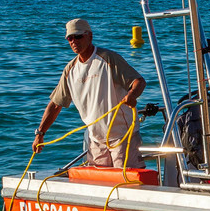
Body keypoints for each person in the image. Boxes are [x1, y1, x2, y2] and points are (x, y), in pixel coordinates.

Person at [33, 18, 148, 167]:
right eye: (70, 38)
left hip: (122, 136)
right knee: (99, 184)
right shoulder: (70, 70)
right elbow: (55, 105)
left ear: (90, 36)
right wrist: (40, 134)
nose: (74, 41)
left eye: (78, 36)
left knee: (129, 182)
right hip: (95, 139)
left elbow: (139, 81)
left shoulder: (108, 59)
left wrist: (132, 95)